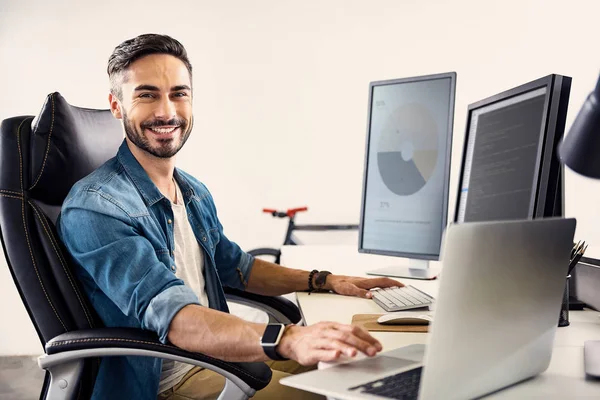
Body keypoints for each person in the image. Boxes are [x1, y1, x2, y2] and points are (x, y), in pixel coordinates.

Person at [57, 33, 403, 400]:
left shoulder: (191, 191)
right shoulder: (97, 208)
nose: (166, 111)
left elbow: (238, 268)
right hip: (170, 384)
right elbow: (174, 318)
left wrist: (326, 280)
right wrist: (287, 338)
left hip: (223, 361)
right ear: (117, 106)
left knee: (369, 372)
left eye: (178, 93)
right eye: (147, 95)